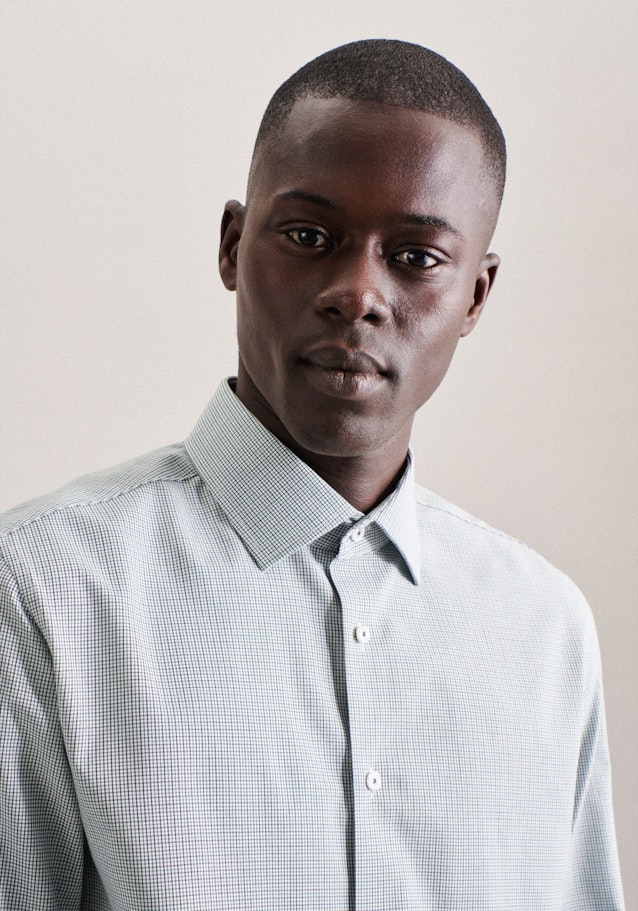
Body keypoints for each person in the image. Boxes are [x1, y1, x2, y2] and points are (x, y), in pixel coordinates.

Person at [0, 38, 624, 910]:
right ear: (232, 245)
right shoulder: (44, 587)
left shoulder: (543, 630)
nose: (357, 293)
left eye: (416, 257)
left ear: (476, 296)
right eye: (308, 236)